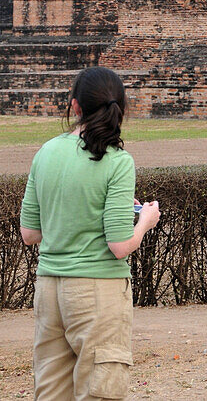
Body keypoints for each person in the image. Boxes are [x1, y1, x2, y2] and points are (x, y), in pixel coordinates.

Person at [20, 67, 160, 401]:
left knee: (51, 392)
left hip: (50, 289)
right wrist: (145, 221)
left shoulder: (47, 153)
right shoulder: (117, 161)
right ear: (120, 107)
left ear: (75, 106)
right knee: (100, 392)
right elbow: (119, 245)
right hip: (96, 292)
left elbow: (30, 233)